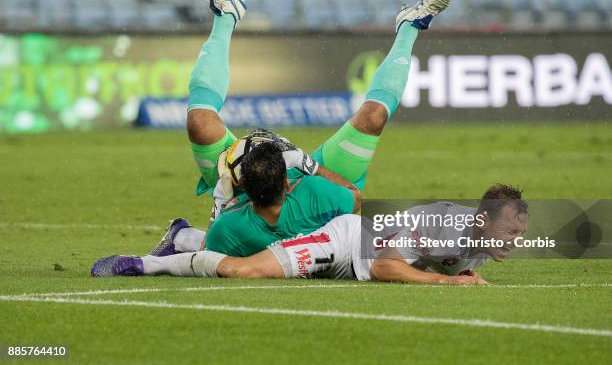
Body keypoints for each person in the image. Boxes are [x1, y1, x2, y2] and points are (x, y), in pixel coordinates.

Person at [91, 0, 454, 276]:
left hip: (300, 178)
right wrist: (251, 185)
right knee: (199, 123)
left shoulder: (307, 192)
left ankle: (410, 24)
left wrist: (303, 167)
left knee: (373, 116)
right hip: (274, 182)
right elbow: (354, 198)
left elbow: (214, 260)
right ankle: (226, 14)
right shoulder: (277, 203)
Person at [93, 184, 528, 285]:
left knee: (257, 255)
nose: (514, 240)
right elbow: (382, 265)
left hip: (349, 263)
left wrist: (461, 275)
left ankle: (185, 237)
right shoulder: (443, 226)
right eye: (509, 231)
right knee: (246, 273)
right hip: (343, 245)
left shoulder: (479, 238)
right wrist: (447, 282)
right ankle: (146, 264)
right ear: (483, 219)